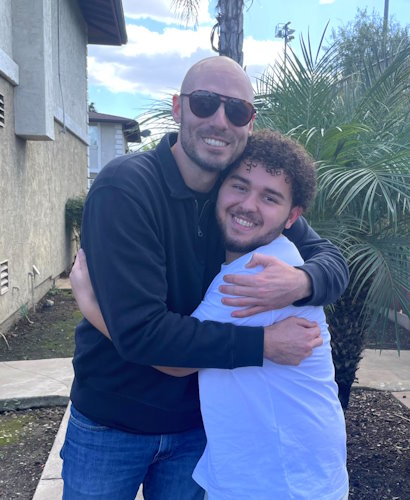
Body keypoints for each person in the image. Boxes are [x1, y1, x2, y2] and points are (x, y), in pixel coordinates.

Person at [62, 56, 349, 499]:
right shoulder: (129, 187)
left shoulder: (236, 186)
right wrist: (267, 344)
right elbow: (144, 334)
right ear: (178, 108)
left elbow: (329, 257)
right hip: (112, 424)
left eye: (235, 110)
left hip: (197, 431)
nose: (219, 120)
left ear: (249, 123)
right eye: (204, 103)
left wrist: (302, 282)